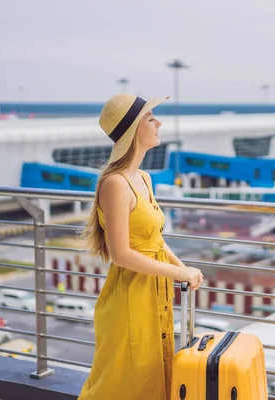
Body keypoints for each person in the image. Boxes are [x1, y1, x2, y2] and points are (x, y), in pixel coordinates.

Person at [78, 92, 204, 400]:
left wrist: (182, 268)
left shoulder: (143, 178)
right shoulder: (115, 184)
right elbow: (121, 254)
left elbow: (154, 240)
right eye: (150, 118)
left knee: (154, 374)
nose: (158, 122)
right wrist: (178, 274)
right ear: (135, 130)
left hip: (154, 292)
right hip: (130, 298)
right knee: (125, 382)